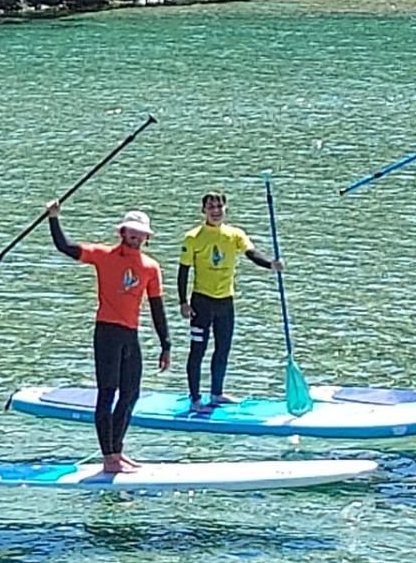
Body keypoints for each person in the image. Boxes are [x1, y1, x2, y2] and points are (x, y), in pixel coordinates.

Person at [47, 200, 172, 473]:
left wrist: (166, 344)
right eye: (132, 233)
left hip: (131, 335)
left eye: (141, 235)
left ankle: (117, 449)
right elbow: (65, 247)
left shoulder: (151, 267)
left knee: (131, 394)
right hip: (107, 332)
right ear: (122, 233)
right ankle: (108, 458)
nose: (136, 238)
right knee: (107, 394)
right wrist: (54, 218)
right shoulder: (103, 256)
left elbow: (157, 307)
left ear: (147, 238)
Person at [177, 192, 280, 411]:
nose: (215, 211)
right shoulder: (193, 237)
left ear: (225, 209)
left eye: (219, 207)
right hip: (201, 302)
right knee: (198, 350)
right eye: (211, 207)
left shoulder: (235, 234)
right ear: (203, 210)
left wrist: (271, 264)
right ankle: (195, 399)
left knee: (223, 348)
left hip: (225, 302)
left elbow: (252, 254)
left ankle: (216, 394)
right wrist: (183, 302)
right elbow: (183, 271)